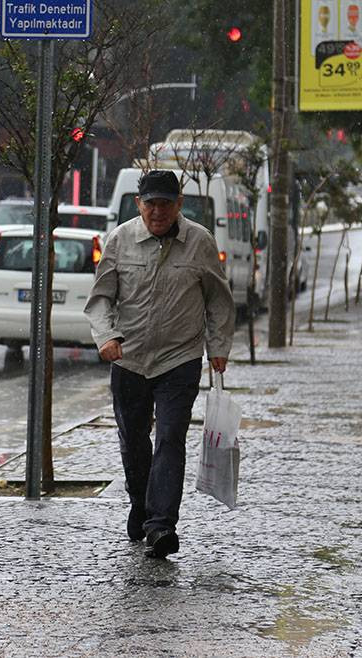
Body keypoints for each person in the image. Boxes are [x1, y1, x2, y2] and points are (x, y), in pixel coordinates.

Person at [84, 170, 236, 559]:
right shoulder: (120, 240)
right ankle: (141, 502)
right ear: (139, 204)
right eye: (150, 203)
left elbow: (219, 299)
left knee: (170, 438)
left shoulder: (199, 242)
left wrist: (218, 346)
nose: (158, 211)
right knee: (134, 440)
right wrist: (107, 337)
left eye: (165, 203)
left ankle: (161, 525)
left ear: (179, 204)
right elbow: (101, 298)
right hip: (129, 358)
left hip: (179, 359)